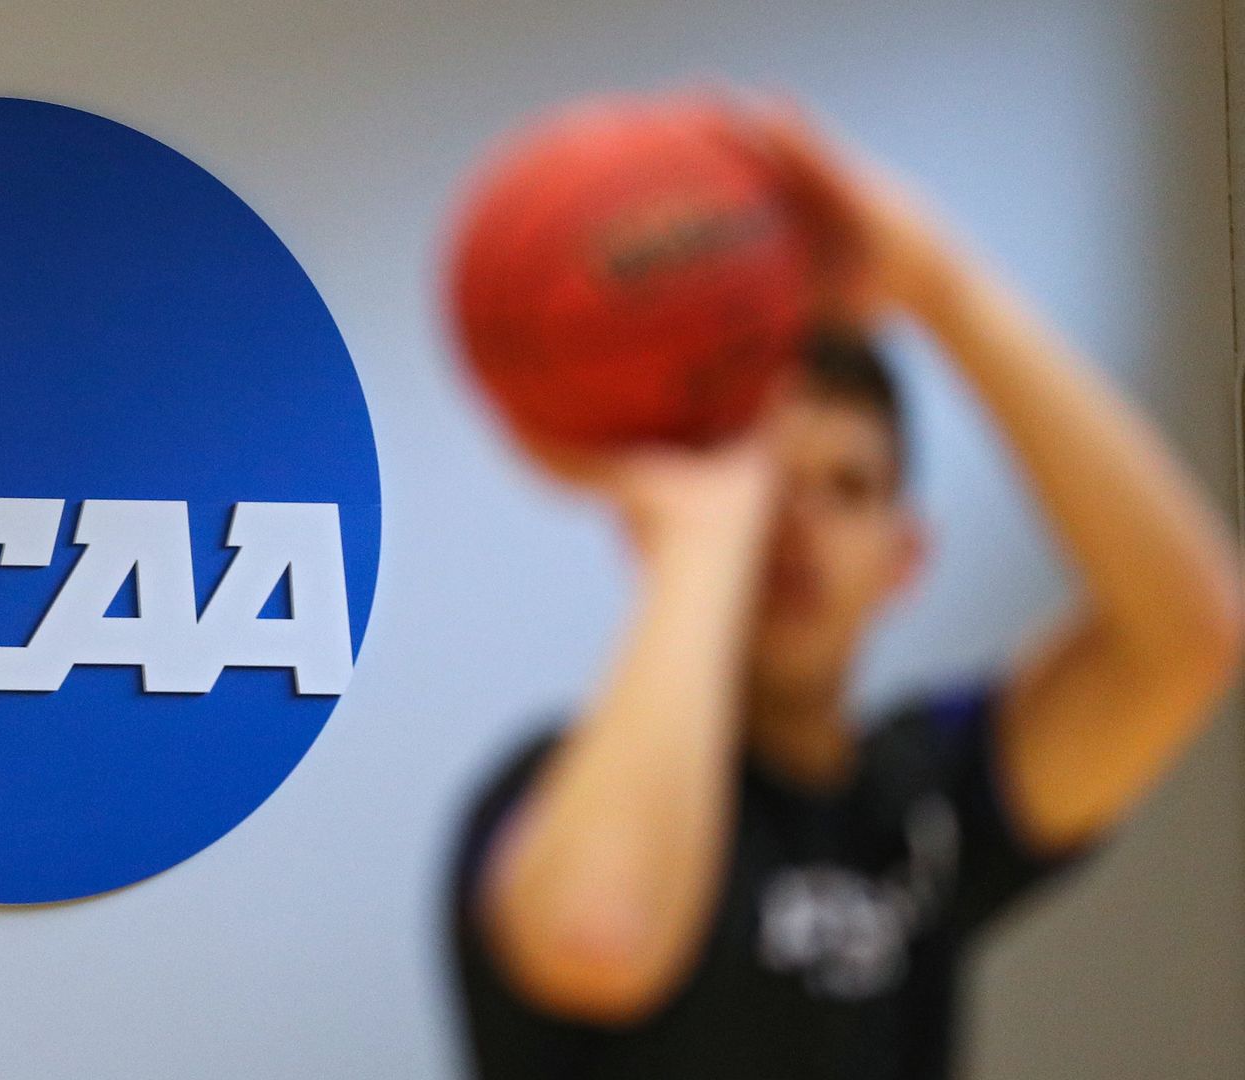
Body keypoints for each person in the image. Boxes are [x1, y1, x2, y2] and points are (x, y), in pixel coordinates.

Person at [448, 99, 1244, 1080]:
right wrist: (703, 529)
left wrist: (943, 287)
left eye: (848, 490)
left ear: (905, 558)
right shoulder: (543, 796)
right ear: (666, 530)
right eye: (767, 489)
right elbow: (601, 934)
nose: (798, 528)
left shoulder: (919, 800)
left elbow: (1190, 636)